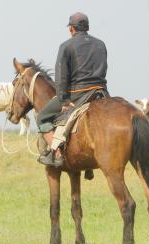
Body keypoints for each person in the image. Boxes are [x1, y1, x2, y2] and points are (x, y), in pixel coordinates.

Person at [37, 12, 109, 167]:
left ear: (71, 29)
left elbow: (61, 77)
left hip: (78, 94)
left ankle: (55, 152)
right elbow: (104, 70)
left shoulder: (66, 46)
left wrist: (64, 101)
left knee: (42, 117)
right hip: (101, 93)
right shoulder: (101, 44)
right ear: (87, 27)